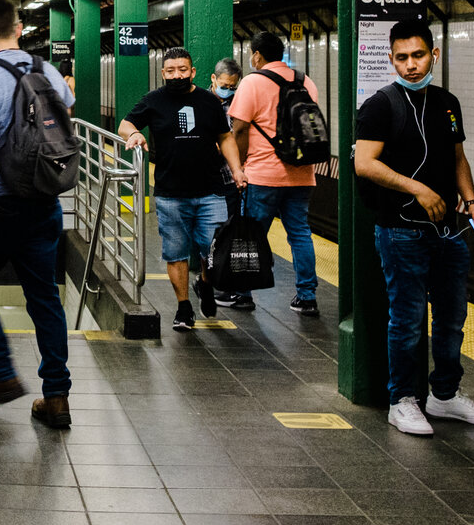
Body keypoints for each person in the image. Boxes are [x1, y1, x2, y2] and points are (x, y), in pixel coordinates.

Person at [355, 19, 474, 436]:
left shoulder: (447, 102)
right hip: (401, 230)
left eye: (418, 56)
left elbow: (457, 158)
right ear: (391, 60)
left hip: (449, 230)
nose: (411, 65)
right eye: (402, 58)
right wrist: (416, 187)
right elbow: (364, 163)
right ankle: (402, 400)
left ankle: (445, 395)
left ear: (434, 54)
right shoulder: (381, 105)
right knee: (408, 318)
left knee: (452, 317)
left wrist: (472, 203)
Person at [0, 0, 76, 429]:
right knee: (44, 298)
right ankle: (57, 396)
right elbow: (63, 119)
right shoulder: (47, 72)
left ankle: (1, 375)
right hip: (45, 203)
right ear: (20, 28)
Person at [119, 47, 246, 332]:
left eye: (183, 70)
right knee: (175, 252)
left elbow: (225, 137)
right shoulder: (153, 101)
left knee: (212, 250)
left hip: (210, 190)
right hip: (169, 192)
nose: (177, 75)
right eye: (171, 70)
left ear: (193, 72)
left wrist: (237, 169)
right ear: (163, 73)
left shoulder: (208, 101)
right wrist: (136, 133)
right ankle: (184, 308)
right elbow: (124, 125)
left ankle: (204, 283)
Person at [228, 31, 323, 316]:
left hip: (263, 174)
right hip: (301, 173)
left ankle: (244, 294)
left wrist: (240, 166)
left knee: (252, 235)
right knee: (300, 234)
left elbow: (240, 128)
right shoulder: (305, 81)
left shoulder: (252, 82)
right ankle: (307, 296)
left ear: (257, 55)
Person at [206, 57, 253, 311]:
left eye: (234, 86)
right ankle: (214, 278)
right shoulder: (201, 101)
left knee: (231, 228)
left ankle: (227, 283)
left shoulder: (240, 103)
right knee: (212, 230)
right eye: (225, 85)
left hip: (231, 178)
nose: (229, 90)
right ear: (214, 79)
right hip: (207, 177)